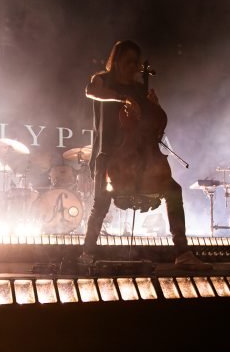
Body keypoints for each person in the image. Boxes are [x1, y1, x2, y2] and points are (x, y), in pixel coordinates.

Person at [78, 40, 211, 270]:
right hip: (109, 155)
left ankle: (183, 252)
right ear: (117, 61)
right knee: (100, 204)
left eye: (136, 63)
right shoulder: (102, 79)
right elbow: (92, 92)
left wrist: (152, 107)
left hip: (139, 158)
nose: (134, 67)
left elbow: (145, 126)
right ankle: (86, 255)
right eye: (129, 62)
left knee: (173, 190)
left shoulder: (139, 89)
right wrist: (124, 99)